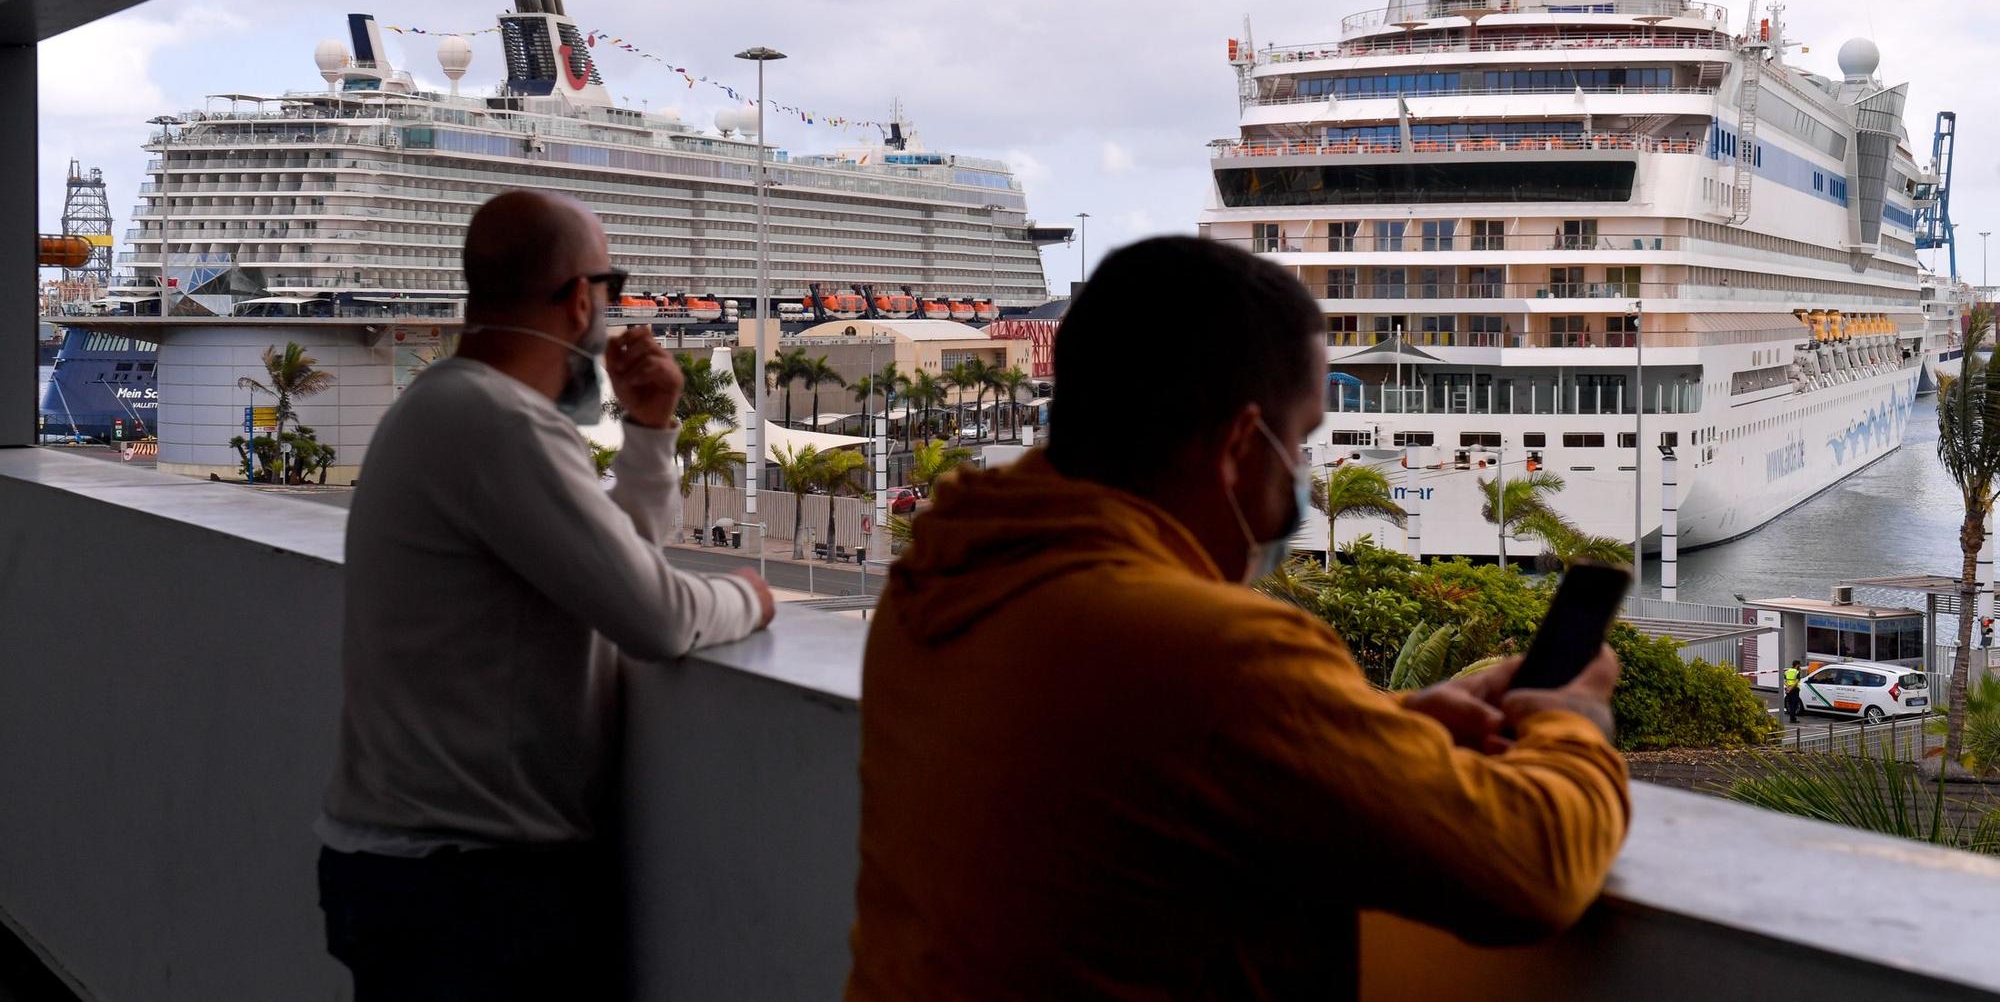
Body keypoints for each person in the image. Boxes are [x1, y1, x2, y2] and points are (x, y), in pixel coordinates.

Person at [847, 236, 1629, 1001]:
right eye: (1300, 441)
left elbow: (1131, 749)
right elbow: (1535, 867)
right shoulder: (1216, 657)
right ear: (1235, 445)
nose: (1303, 474)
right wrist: (1572, 718)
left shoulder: (940, 578)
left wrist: (1368, 730)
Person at [316, 191, 774, 999]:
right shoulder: (502, 426)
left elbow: (610, 564)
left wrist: (651, 430)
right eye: (611, 287)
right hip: (471, 892)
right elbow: (658, 617)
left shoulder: (440, 405)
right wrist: (749, 598)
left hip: (413, 871)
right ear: (576, 298)